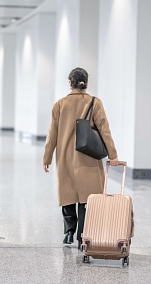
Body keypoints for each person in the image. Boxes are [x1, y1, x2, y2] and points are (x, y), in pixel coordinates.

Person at [43, 67, 118, 249]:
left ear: (70, 83)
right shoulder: (95, 103)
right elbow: (104, 130)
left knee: (68, 194)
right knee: (87, 197)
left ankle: (69, 231)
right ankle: (82, 236)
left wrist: (47, 158)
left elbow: (52, 134)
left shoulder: (59, 105)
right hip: (88, 158)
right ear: (86, 83)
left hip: (66, 157)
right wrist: (113, 155)